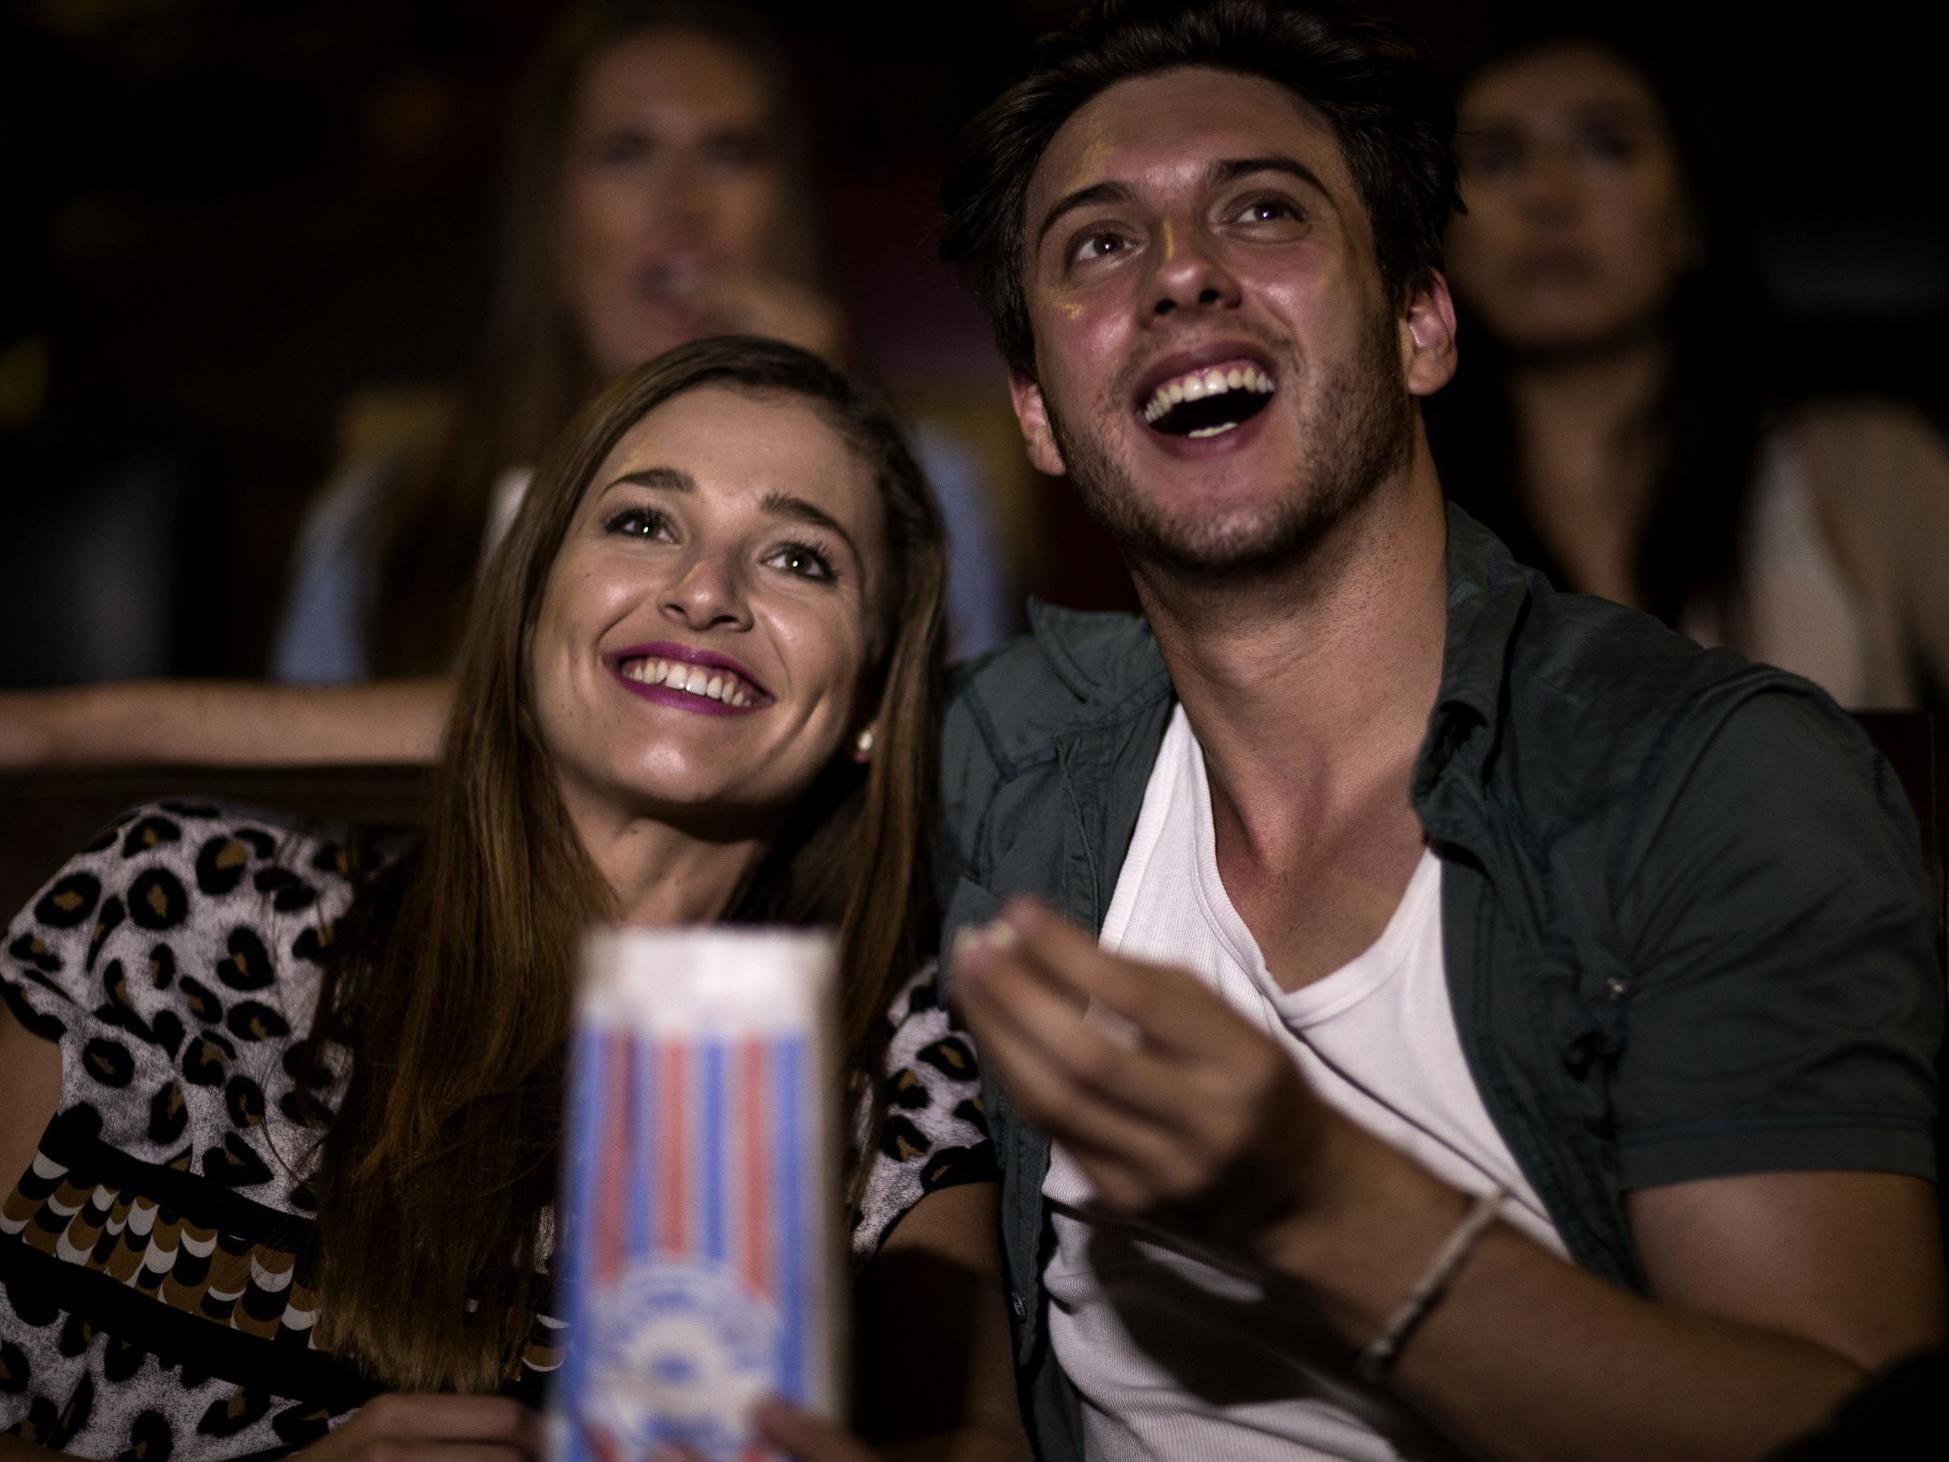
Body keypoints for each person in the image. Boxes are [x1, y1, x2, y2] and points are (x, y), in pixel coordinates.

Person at [932, 3, 1944, 1460]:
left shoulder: (1709, 780)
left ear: (1420, 321)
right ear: (1037, 408)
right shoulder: (1005, 759)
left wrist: (1319, 1201)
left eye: (1263, 210)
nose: (1180, 275)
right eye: (1098, 243)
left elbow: (1853, 1431)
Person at [0, 338, 1026, 1459]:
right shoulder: (167, 913)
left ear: (875, 695)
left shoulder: (898, 1065)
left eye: (798, 560)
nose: (704, 591)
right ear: (530, 602)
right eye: (643, 523)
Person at [0, 0, 1013, 769]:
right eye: (627, 154)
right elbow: (308, 802)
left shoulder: (930, 481)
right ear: (550, 211)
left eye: (729, 153)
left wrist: (832, 420)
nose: (682, 207)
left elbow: (953, 787)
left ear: (781, 204)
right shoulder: (390, 506)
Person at [1427, 17, 1949, 708]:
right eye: (1495, 159)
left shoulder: (1869, 464)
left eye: (1604, 147)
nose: (1546, 197)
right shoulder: (1388, 508)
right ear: (1441, 237)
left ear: (1689, 217)